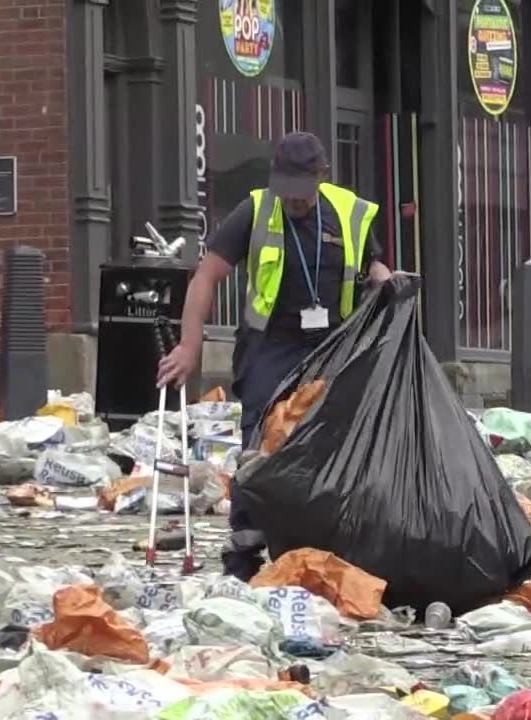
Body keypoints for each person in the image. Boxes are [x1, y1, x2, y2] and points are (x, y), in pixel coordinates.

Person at [156, 131, 395, 581]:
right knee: (260, 441)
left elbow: (373, 265)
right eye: (286, 192)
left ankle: (322, 544)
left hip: (331, 344)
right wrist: (190, 347)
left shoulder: (350, 213)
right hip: (271, 344)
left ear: (322, 177)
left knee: (327, 441)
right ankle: (246, 546)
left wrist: (388, 281)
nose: (294, 203)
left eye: (302, 194)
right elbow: (206, 278)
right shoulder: (255, 210)